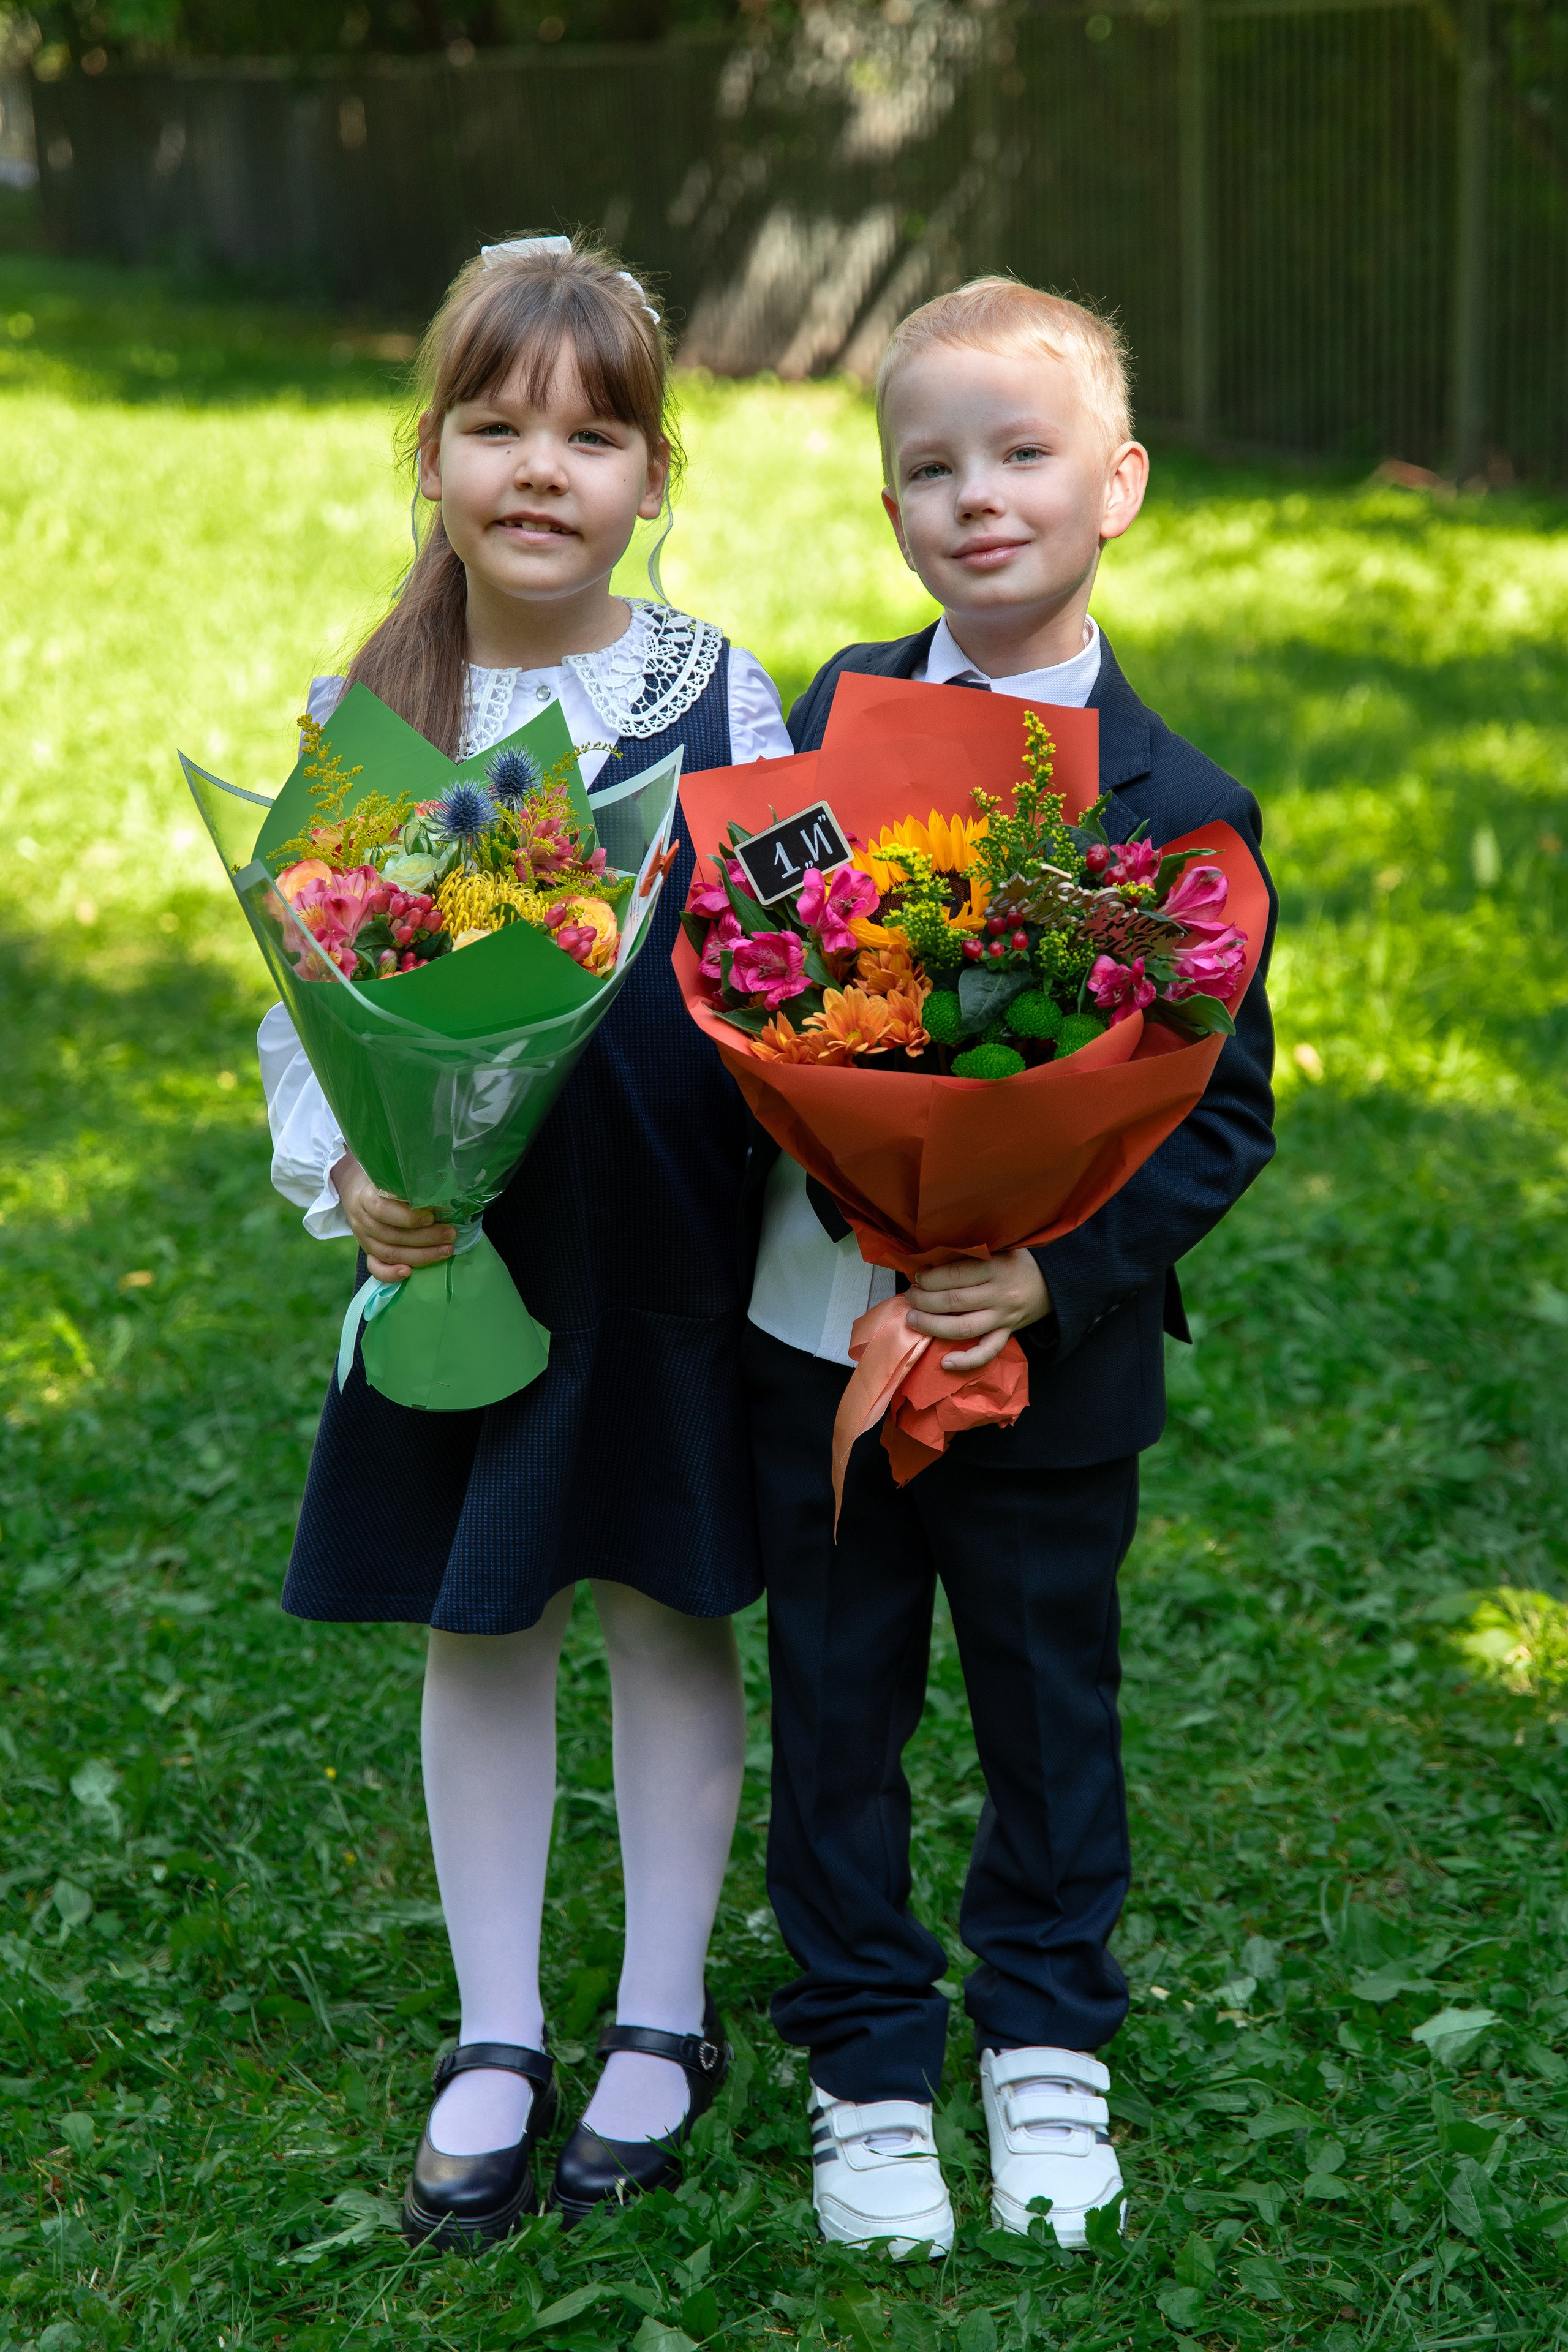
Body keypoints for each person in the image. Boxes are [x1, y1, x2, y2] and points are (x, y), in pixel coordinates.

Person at [257, 235, 792, 2249]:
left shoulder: (713, 685)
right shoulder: (372, 706)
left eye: (594, 434)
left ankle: (662, 2008)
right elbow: (307, 999)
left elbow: (775, 966)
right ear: (433, 459)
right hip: (471, 1255)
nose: (542, 470)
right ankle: (499, 2028)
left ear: (657, 475)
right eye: (496, 427)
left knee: (668, 1606)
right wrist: (354, 1181)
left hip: (662, 1242)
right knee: (482, 1620)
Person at [743, 278, 1278, 2255]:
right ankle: (870, 2056)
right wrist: (835, 1175)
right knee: (840, 1696)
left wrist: (1053, 1276)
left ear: (1119, 485)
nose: (978, 500)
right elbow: (750, 995)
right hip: (822, 1337)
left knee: (1052, 1701)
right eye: (929, 468)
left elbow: (1222, 1112)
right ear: (890, 507)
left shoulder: (1178, 805)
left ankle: (1048, 2036)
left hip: (1050, 1361)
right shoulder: (823, 732)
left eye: (1025, 454)